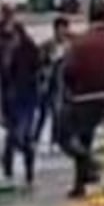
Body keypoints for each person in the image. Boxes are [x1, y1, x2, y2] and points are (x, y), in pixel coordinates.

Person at [59, 18, 104, 195]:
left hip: (81, 97)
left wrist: (70, 89)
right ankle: (81, 182)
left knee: (65, 137)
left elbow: (69, 71)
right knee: (85, 138)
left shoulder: (81, 42)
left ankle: (90, 163)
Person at [0, 16, 43, 183]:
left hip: (25, 98)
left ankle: (28, 169)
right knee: (9, 137)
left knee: (21, 136)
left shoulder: (29, 49)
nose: (8, 40)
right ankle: (8, 172)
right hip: (8, 99)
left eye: (11, 36)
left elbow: (37, 70)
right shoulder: (1, 51)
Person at [37, 15, 71, 147]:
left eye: (64, 29)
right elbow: (39, 62)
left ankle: (55, 139)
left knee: (58, 112)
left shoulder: (70, 46)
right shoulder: (47, 45)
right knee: (43, 112)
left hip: (62, 83)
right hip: (48, 82)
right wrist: (48, 62)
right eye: (60, 29)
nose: (62, 32)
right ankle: (36, 137)